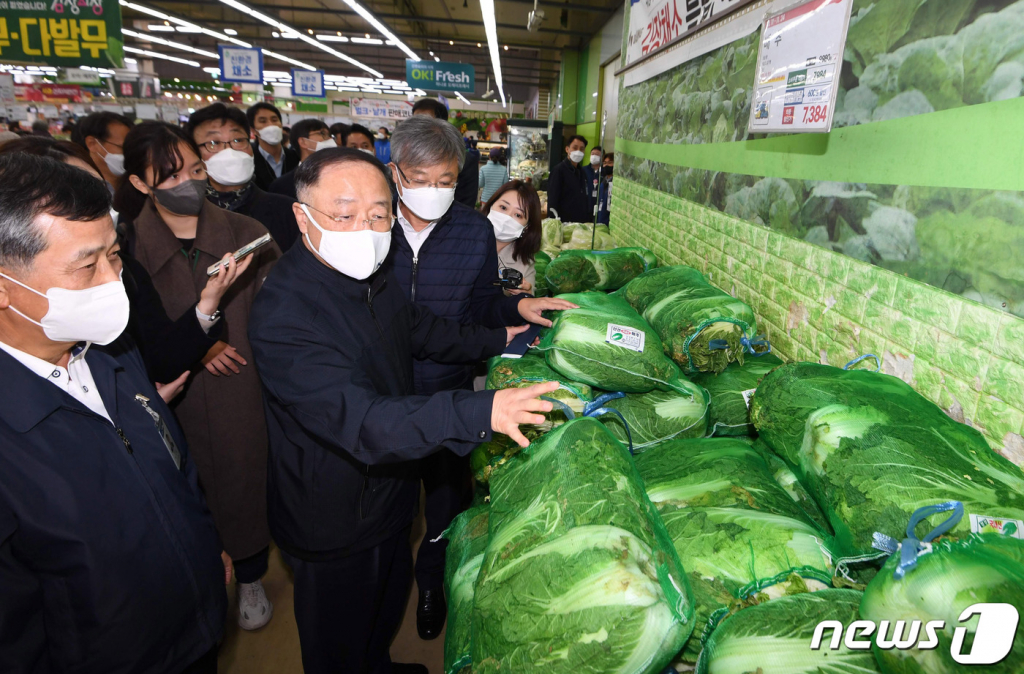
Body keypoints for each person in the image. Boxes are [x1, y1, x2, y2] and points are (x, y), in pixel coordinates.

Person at [248, 146, 560, 674]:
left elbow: (424, 330)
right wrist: (478, 411)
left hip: (389, 490)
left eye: (378, 214)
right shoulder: (286, 310)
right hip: (333, 511)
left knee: (384, 609)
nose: (366, 229)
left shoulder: (373, 276)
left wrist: (503, 329)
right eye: (344, 215)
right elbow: (361, 419)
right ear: (302, 217)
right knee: (340, 641)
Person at [0, 152, 228, 674]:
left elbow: (173, 459)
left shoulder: (108, 348)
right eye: (87, 266)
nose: (114, 280)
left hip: (193, 629)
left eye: (115, 256)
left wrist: (203, 543)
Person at [385, 114, 575, 640]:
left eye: (446, 181)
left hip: (449, 385)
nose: (434, 192)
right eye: (421, 181)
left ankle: (431, 586)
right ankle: (387, 591)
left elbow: (483, 303)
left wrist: (520, 305)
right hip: (382, 387)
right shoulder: (371, 228)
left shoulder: (471, 230)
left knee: (445, 499)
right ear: (395, 172)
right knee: (390, 502)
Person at [115, 121, 281, 631]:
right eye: (168, 177)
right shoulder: (124, 248)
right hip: (169, 393)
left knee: (243, 478)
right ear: (141, 185)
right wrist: (198, 343)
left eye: (193, 169)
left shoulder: (246, 234)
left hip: (242, 384)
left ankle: (251, 573)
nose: (188, 183)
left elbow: (279, 308)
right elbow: (127, 330)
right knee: (184, 488)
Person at [0, 135, 246, 390]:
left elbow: (159, 357)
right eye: (70, 199)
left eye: (94, 191)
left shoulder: (127, 271)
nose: (109, 279)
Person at [189, 103, 301, 251]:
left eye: (238, 140)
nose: (229, 151)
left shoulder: (288, 211)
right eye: (214, 143)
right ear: (194, 153)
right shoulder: (187, 214)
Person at [411, 98, 478, 208]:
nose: (418, 127)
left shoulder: (465, 161)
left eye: (425, 122)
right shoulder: (404, 157)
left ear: (441, 124)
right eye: (415, 121)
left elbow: (466, 204)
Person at [481, 180, 543, 293]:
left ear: (527, 227)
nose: (507, 217)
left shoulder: (524, 265)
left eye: (518, 215)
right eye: (503, 207)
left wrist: (525, 295)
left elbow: (528, 299)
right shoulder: (462, 239)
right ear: (491, 205)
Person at [268, 118, 335, 200]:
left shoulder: (340, 176)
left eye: (329, 135)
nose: (329, 139)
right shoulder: (282, 185)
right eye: (322, 133)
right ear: (303, 141)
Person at [72, 110, 133, 196]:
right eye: (122, 147)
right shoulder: (77, 190)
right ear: (92, 144)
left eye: (131, 147)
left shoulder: (136, 185)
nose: (128, 153)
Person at [247, 102, 298, 191]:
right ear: (253, 130)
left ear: (281, 124)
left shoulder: (295, 157)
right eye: (263, 121)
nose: (271, 125)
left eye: (274, 120)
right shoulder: (248, 160)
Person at [546, 134, 591, 222]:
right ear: (567, 149)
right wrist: (553, 223)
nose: (578, 151)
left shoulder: (582, 172)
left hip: (579, 224)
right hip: (564, 223)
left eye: (582, 149)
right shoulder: (559, 171)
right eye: (575, 148)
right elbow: (552, 200)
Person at [598, 152, 614, 225]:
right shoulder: (602, 182)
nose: (606, 165)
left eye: (610, 162)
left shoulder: (615, 183)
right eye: (604, 163)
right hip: (600, 218)